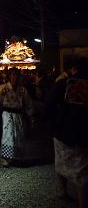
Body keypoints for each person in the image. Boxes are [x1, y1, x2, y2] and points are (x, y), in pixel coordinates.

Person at [47, 58, 88, 208]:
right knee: (83, 172)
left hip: (62, 132)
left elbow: (50, 104)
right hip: (84, 134)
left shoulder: (63, 84)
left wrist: (55, 123)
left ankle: (61, 192)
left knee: (61, 163)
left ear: (74, 69)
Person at [0, 67, 33, 167]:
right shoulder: (3, 88)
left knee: (19, 135)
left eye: (16, 75)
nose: (14, 77)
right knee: (8, 136)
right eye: (12, 75)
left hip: (19, 115)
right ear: (9, 76)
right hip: (7, 115)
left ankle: (18, 158)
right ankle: (6, 159)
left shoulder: (22, 90)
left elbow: (29, 104)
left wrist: (31, 117)